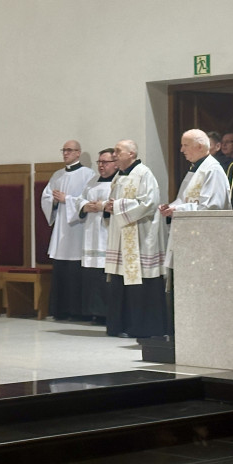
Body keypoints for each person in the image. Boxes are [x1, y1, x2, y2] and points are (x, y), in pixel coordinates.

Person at [103, 139, 167, 338]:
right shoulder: (119, 177)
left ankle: (142, 327)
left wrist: (117, 206)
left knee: (141, 282)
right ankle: (119, 325)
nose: (114, 154)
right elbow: (114, 203)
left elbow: (149, 202)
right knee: (120, 281)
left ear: (131, 154)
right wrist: (108, 206)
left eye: (118, 151)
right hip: (121, 237)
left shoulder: (144, 174)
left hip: (140, 236)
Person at [160, 129, 231, 269]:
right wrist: (170, 208)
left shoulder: (212, 170)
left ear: (199, 146)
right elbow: (184, 199)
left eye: (185, 145)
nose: (181, 150)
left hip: (207, 239)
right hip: (190, 236)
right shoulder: (196, 169)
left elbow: (211, 208)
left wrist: (178, 209)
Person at [40, 140, 96, 320]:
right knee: (62, 269)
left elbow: (88, 200)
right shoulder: (57, 175)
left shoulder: (88, 175)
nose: (66, 153)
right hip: (62, 229)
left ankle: (80, 312)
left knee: (76, 270)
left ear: (78, 153)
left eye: (70, 150)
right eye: (64, 150)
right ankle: (60, 310)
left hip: (78, 227)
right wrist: (54, 201)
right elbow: (46, 197)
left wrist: (67, 199)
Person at [73, 148, 117, 324]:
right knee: (92, 275)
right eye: (99, 162)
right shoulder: (92, 181)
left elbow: (117, 203)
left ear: (115, 164)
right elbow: (79, 199)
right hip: (91, 232)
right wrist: (85, 206)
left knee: (105, 275)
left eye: (105, 162)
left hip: (107, 232)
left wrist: (102, 206)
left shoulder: (118, 182)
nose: (101, 166)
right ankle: (94, 312)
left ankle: (107, 313)